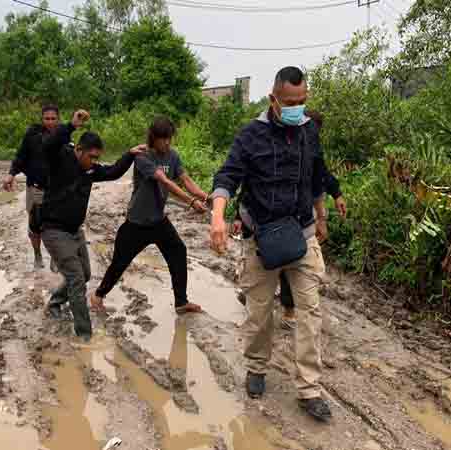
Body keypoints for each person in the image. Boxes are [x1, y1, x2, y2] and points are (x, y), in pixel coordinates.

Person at [209, 67, 332, 421]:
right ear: (273, 100)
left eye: (303, 101)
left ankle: (309, 388)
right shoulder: (252, 135)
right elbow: (228, 175)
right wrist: (218, 215)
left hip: (303, 234)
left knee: (309, 312)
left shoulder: (309, 131)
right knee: (259, 311)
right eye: (291, 102)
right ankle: (257, 368)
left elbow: (316, 176)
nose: (298, 108)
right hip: (260, 237)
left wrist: (321, 216)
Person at [233, 110, 347, 330]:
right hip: (261, 224)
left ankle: (288, 309)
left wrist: (331, 201)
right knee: (260, 266)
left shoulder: (308, 148)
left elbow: (319, 177)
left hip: (294, 224)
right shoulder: (262, 141)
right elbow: (246, 183)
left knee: (290, 262)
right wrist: (237, 215)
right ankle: (252, 295)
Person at [41, 109, 145, 341]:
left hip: (74, 231)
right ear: (78, 150)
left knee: (85, 274)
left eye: (97, 158)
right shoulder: (61, 159)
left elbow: (113, 172)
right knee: (77, 279)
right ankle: (85, 335)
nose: (94, 162)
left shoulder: (91, 170)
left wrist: (129, 154)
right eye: (91, 156)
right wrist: (71, 125)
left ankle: (55, 303)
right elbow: (48, 146)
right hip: (53, 230)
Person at [90, 117, 209, 315]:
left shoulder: (173, 156)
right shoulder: (143, 157)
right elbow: (164, 181)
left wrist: (205, 196)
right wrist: (191, 202)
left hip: (158, 221)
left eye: (170, 138)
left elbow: (185, 180)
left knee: (178, 252)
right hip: (136, 223)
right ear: (154, 138)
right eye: (164, 139)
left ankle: (181, 302)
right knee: (119, 263)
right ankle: (98, 295)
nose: (168, 143)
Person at [2, 104, 60, 270]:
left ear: (58, 119)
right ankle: (37, 254)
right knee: (35, 225)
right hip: (34, 188)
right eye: (47, 118)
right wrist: (11, 174)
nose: (50, 122)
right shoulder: (32, 135)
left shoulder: (63, 137)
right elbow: (21, 156)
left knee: (55, 226)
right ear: (42, 119)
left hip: (55, 190)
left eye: (53, 119)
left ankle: (55, 257)